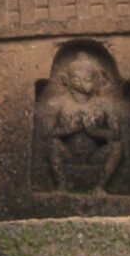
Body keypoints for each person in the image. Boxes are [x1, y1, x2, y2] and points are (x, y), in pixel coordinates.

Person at [49, 54, 123, 194]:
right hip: (69, 154)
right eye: (76, 79)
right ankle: (61, 185)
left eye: (87, 79)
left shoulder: (104, 104)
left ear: (97, 80)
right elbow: (48, 135)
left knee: (117, 147)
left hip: (95, 155)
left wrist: (95, 131)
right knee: (53, 144)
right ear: (66, 80)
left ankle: (100, 187)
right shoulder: (60, 104)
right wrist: (68, 129)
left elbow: (116, 135)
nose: (82, 82)